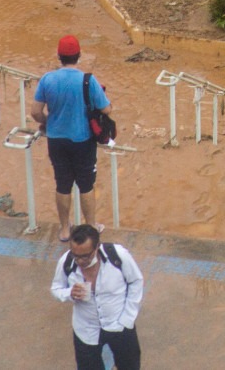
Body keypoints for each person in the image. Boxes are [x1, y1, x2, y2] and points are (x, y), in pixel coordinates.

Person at [32, 35, 110, 243]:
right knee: (86, 184)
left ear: (59, 56)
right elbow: (106, 108)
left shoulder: (47, 79)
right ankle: (91, 226)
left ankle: (65, 229)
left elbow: (35, 112)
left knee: (62, 184)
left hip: (56, 140)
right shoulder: (88, 80)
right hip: (83, 140)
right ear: (79, 55)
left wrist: (48, 122)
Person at [52, 223, 144, 370]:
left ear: (97, 247)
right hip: (86, 330)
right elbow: (56, 288)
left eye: (85, 256)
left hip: (120, 325)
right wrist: (70, 293)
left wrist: (127, 318)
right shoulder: (67, 262)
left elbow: (136, 281)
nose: (80, 261)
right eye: (76, 256)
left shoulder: (118, 255)